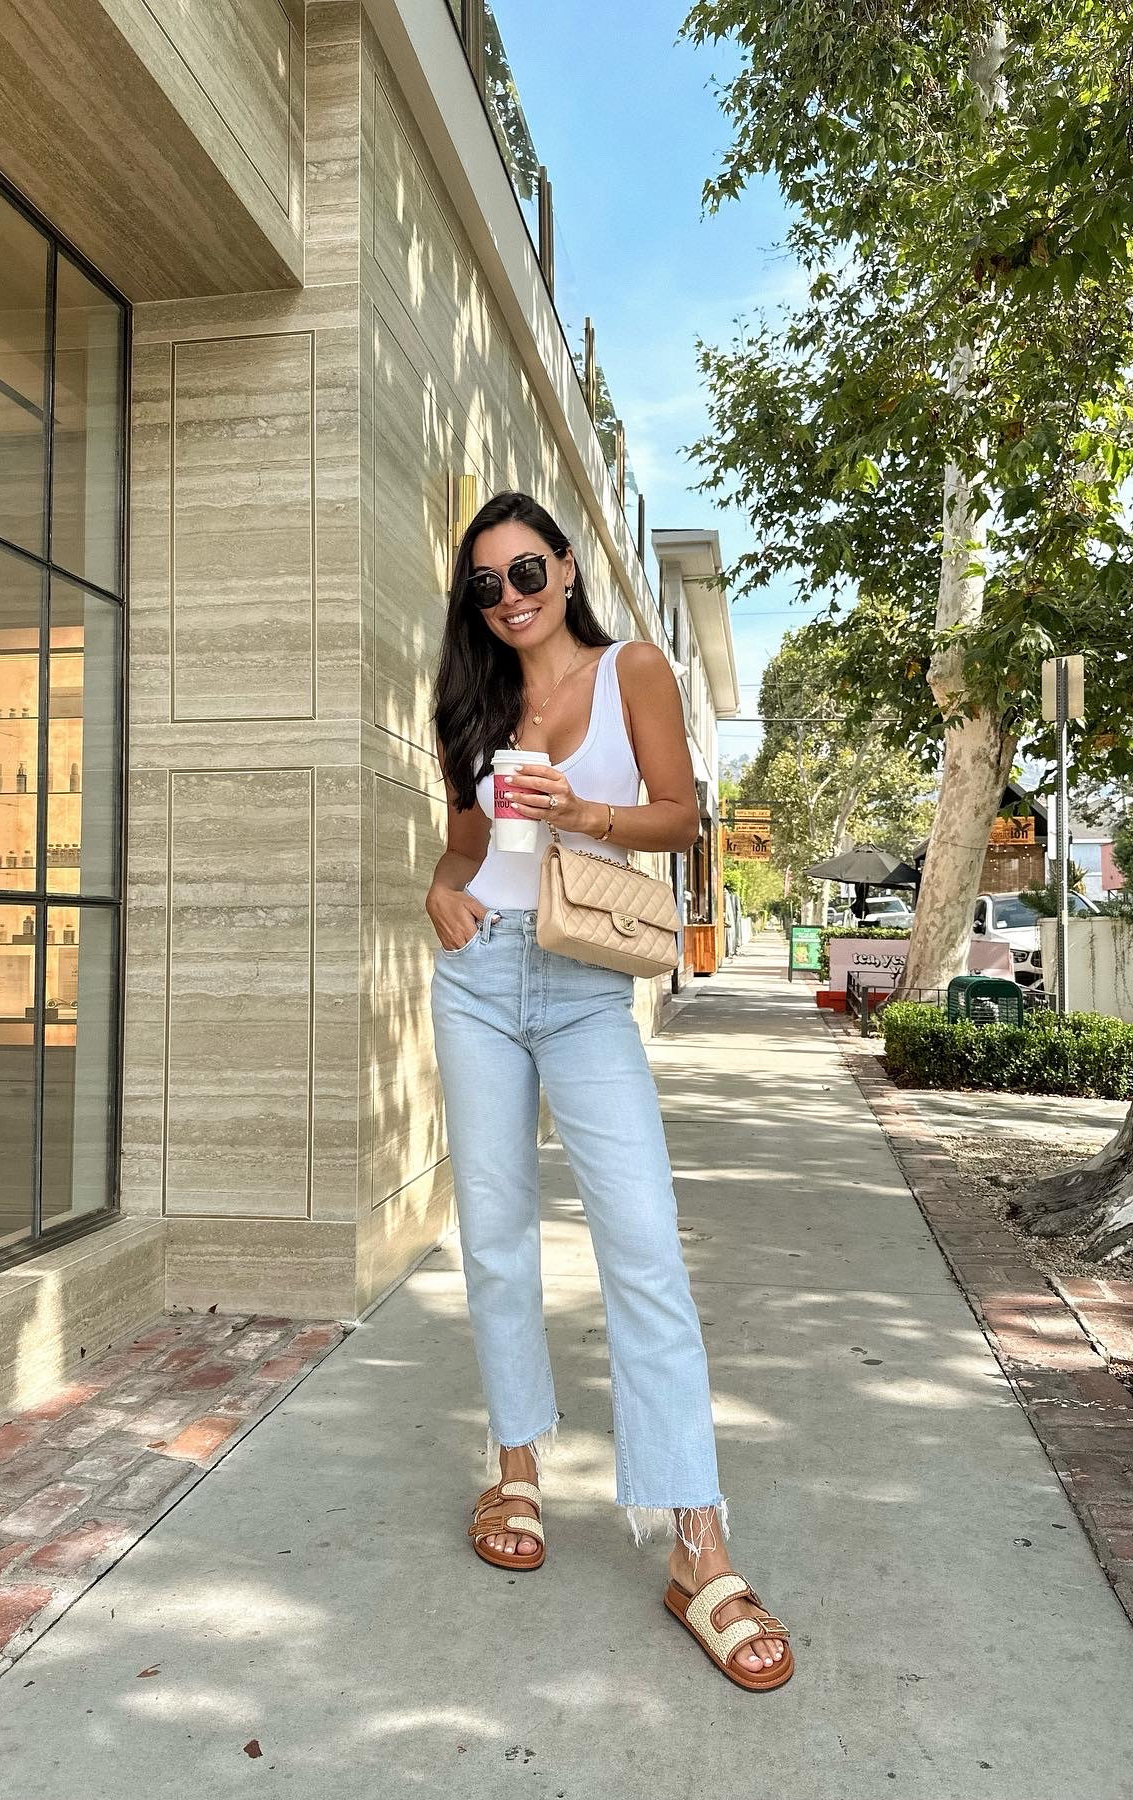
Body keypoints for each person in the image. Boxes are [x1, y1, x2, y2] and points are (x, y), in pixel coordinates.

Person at [425, 490, 792, 1690]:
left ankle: (698, 1540)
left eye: (525, 570)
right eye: (485, 584)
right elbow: (463, 850)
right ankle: (516, 1464)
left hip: (586, 988)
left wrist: (585, 812)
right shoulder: (473, 700)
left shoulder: (635, 666)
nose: (510, 596)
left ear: (567, 566)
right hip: (480, 978)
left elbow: (685, 815)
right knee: (496, 1240)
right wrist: (439, 892)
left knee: (642, 1246)